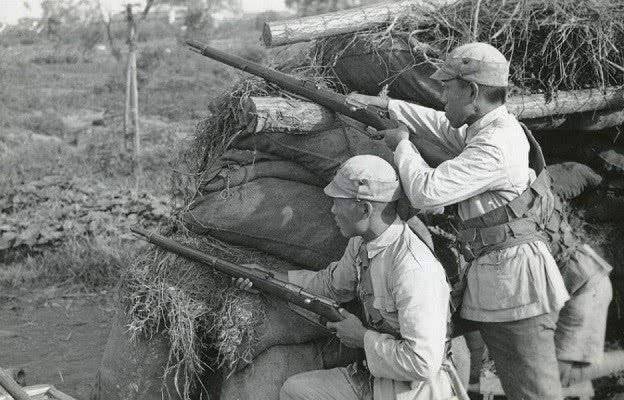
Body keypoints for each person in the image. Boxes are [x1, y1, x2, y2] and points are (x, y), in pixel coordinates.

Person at [347, 42, 570, 399]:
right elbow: (441, 124)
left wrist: (402, 145)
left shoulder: (496, 144)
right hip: (497, 278)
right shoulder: (484, 127)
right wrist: (387, 106)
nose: (443, 96)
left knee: (534, 393)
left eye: (448, 88)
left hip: (516, 286)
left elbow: (425, 193)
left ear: (472, 91)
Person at [234, 154, 467, 400]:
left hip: (416, 391)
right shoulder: (361, 243)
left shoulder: (413, 270)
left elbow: (422, 363)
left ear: (364, 208)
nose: (332, 210)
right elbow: (330, 285)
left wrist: (362, 338)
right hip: (380, 377)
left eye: (338, 202)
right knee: (296, 390)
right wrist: (267, 277)